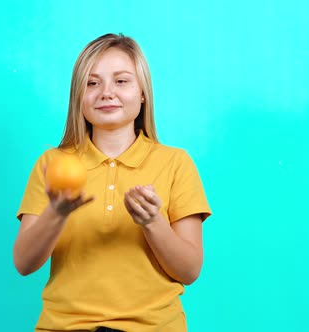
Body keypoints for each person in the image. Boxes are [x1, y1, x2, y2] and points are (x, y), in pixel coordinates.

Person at [13, 33, 211, 332]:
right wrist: (56, 213)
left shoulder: (175, 163)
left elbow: (189, 270)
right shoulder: (51, 165)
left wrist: (152, 222)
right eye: (92, 83)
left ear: (143, 92)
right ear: (78, 96)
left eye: (121, 81)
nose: (106, 93)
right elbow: (24, 264)